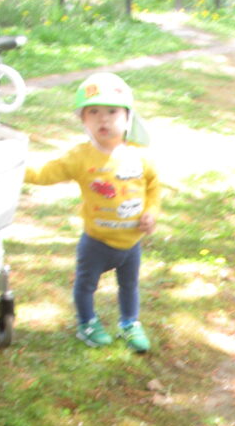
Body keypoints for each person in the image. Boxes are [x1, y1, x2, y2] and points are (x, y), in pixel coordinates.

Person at [24, 72, 160, 352]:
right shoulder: (79, 157)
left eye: (112, 111)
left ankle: (129, 323)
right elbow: (43, 173)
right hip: (96, 242)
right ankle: (87, 322)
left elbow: (154, 185)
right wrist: (14, 167)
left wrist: (151, 211)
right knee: (86, 285)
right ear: (82, 120)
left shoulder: (139, 155)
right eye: (93, 112)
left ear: (127, 117)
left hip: (131, 243)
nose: (104, 119)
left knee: (129, 286)